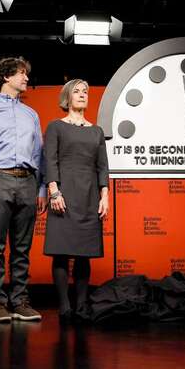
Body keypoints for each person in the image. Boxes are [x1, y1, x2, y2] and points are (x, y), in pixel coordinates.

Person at [0, 56, 47, 323]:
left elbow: (39, 154)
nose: (26, 78)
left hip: (27, 181)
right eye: (21, 73)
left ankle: (19, 300)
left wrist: (40, 190)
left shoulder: (31, 114)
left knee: (22, 246)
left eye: (26, 74)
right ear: (6, 76)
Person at [42, 79, 110, 323]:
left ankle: (81, 306)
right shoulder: (55, 127)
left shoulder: (96, 131)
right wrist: (54, 192)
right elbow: (50, 161)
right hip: (64, 195)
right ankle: (64, 307)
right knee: (61, 253)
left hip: (89, 196)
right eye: (77, 92)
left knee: (84, 253)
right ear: (67, 98)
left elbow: (102, 166)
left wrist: (105, 195)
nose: (82, 95)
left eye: (85, 92)